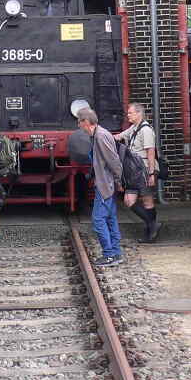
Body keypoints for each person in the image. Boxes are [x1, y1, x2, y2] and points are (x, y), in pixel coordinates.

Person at [77, 107, 124, 266]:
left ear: (86, 122)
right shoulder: (99, 135)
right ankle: (116, 253)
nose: (79, 125)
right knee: (110, 219)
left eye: (79, 122)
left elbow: (113, 161)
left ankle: (109, 255)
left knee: (98, 219)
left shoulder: (101, 136)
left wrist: (119, 181)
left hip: (105, 185)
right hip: (107, 184)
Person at [116, 102, 160, 243]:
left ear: (139, 113)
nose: (128, 115)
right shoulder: (133, 127)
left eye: (130, 113)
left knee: (147, 201)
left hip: (145, 169)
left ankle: (150, 232)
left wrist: (151, 173)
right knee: (129, 201)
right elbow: (118, 137)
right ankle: (153, 224)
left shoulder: (146, 130)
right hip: (134, 170)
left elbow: (150, 152)